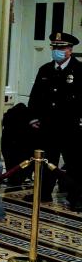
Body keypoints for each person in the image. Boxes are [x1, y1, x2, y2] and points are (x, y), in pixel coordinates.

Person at [28, 31, 82, 210]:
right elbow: (35, 96)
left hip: (70, 127)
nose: (57, 51)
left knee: (74, 164)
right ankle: (43, 193)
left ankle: (76, 197)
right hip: (48, 126)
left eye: (61, 48)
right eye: (55, 47)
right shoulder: (45, 70)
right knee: (46, 161)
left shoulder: (79, 70)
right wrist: (33, 117)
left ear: (70, 50)